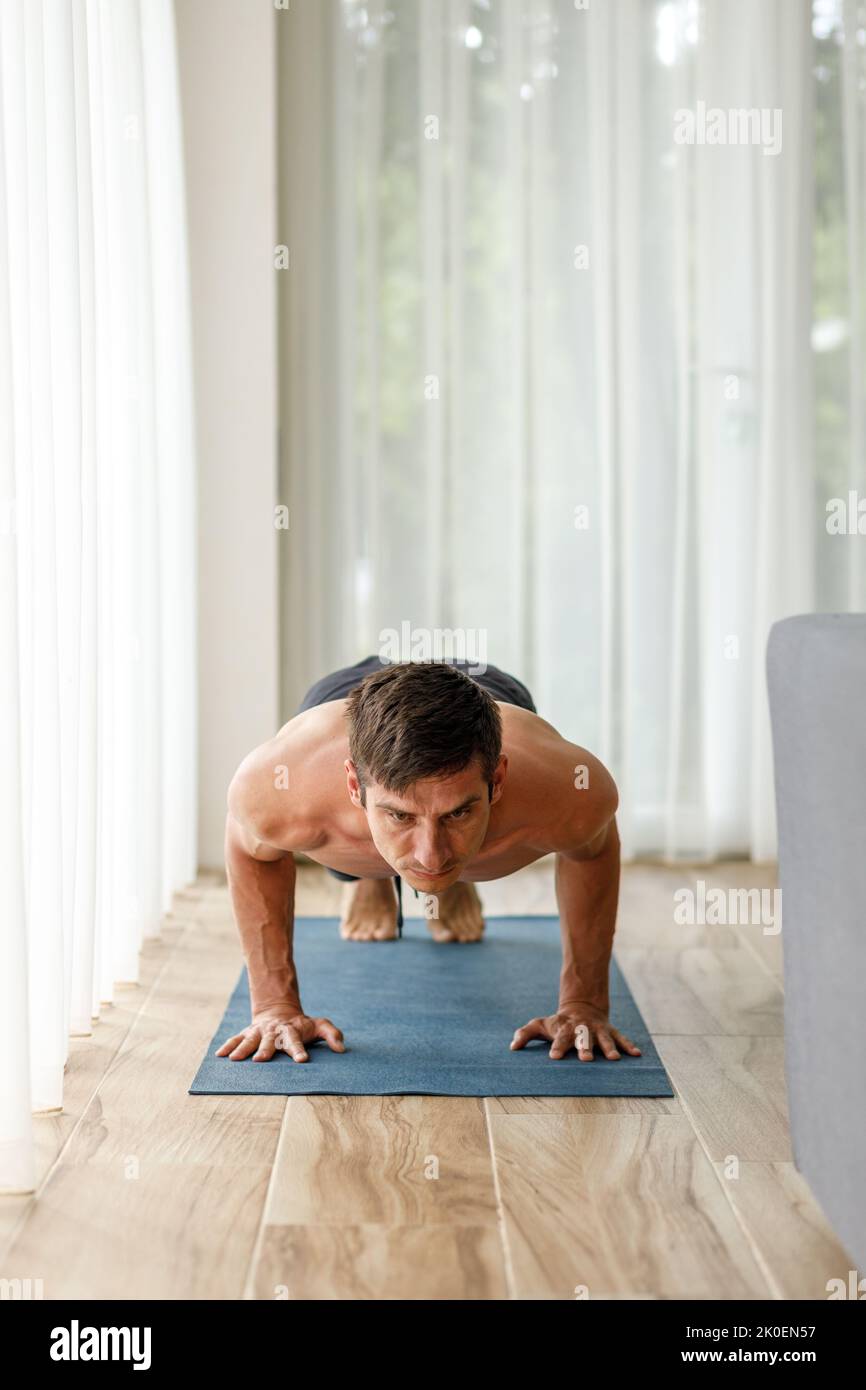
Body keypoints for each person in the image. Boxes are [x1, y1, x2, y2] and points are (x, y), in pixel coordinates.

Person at [217, 655, 641, 1067]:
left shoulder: (571, 790)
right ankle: (371, 877)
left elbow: (594, 850)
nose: (430, 853)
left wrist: (583, 1003)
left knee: (442, 852)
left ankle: (440, 860)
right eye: (398, 815)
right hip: (345, 701)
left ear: (497, 781)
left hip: (482, 692)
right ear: (353, 785)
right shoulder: (278, 786)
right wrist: (274, 1006)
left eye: (459, 812)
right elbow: (250, 851)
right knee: (363, 852)